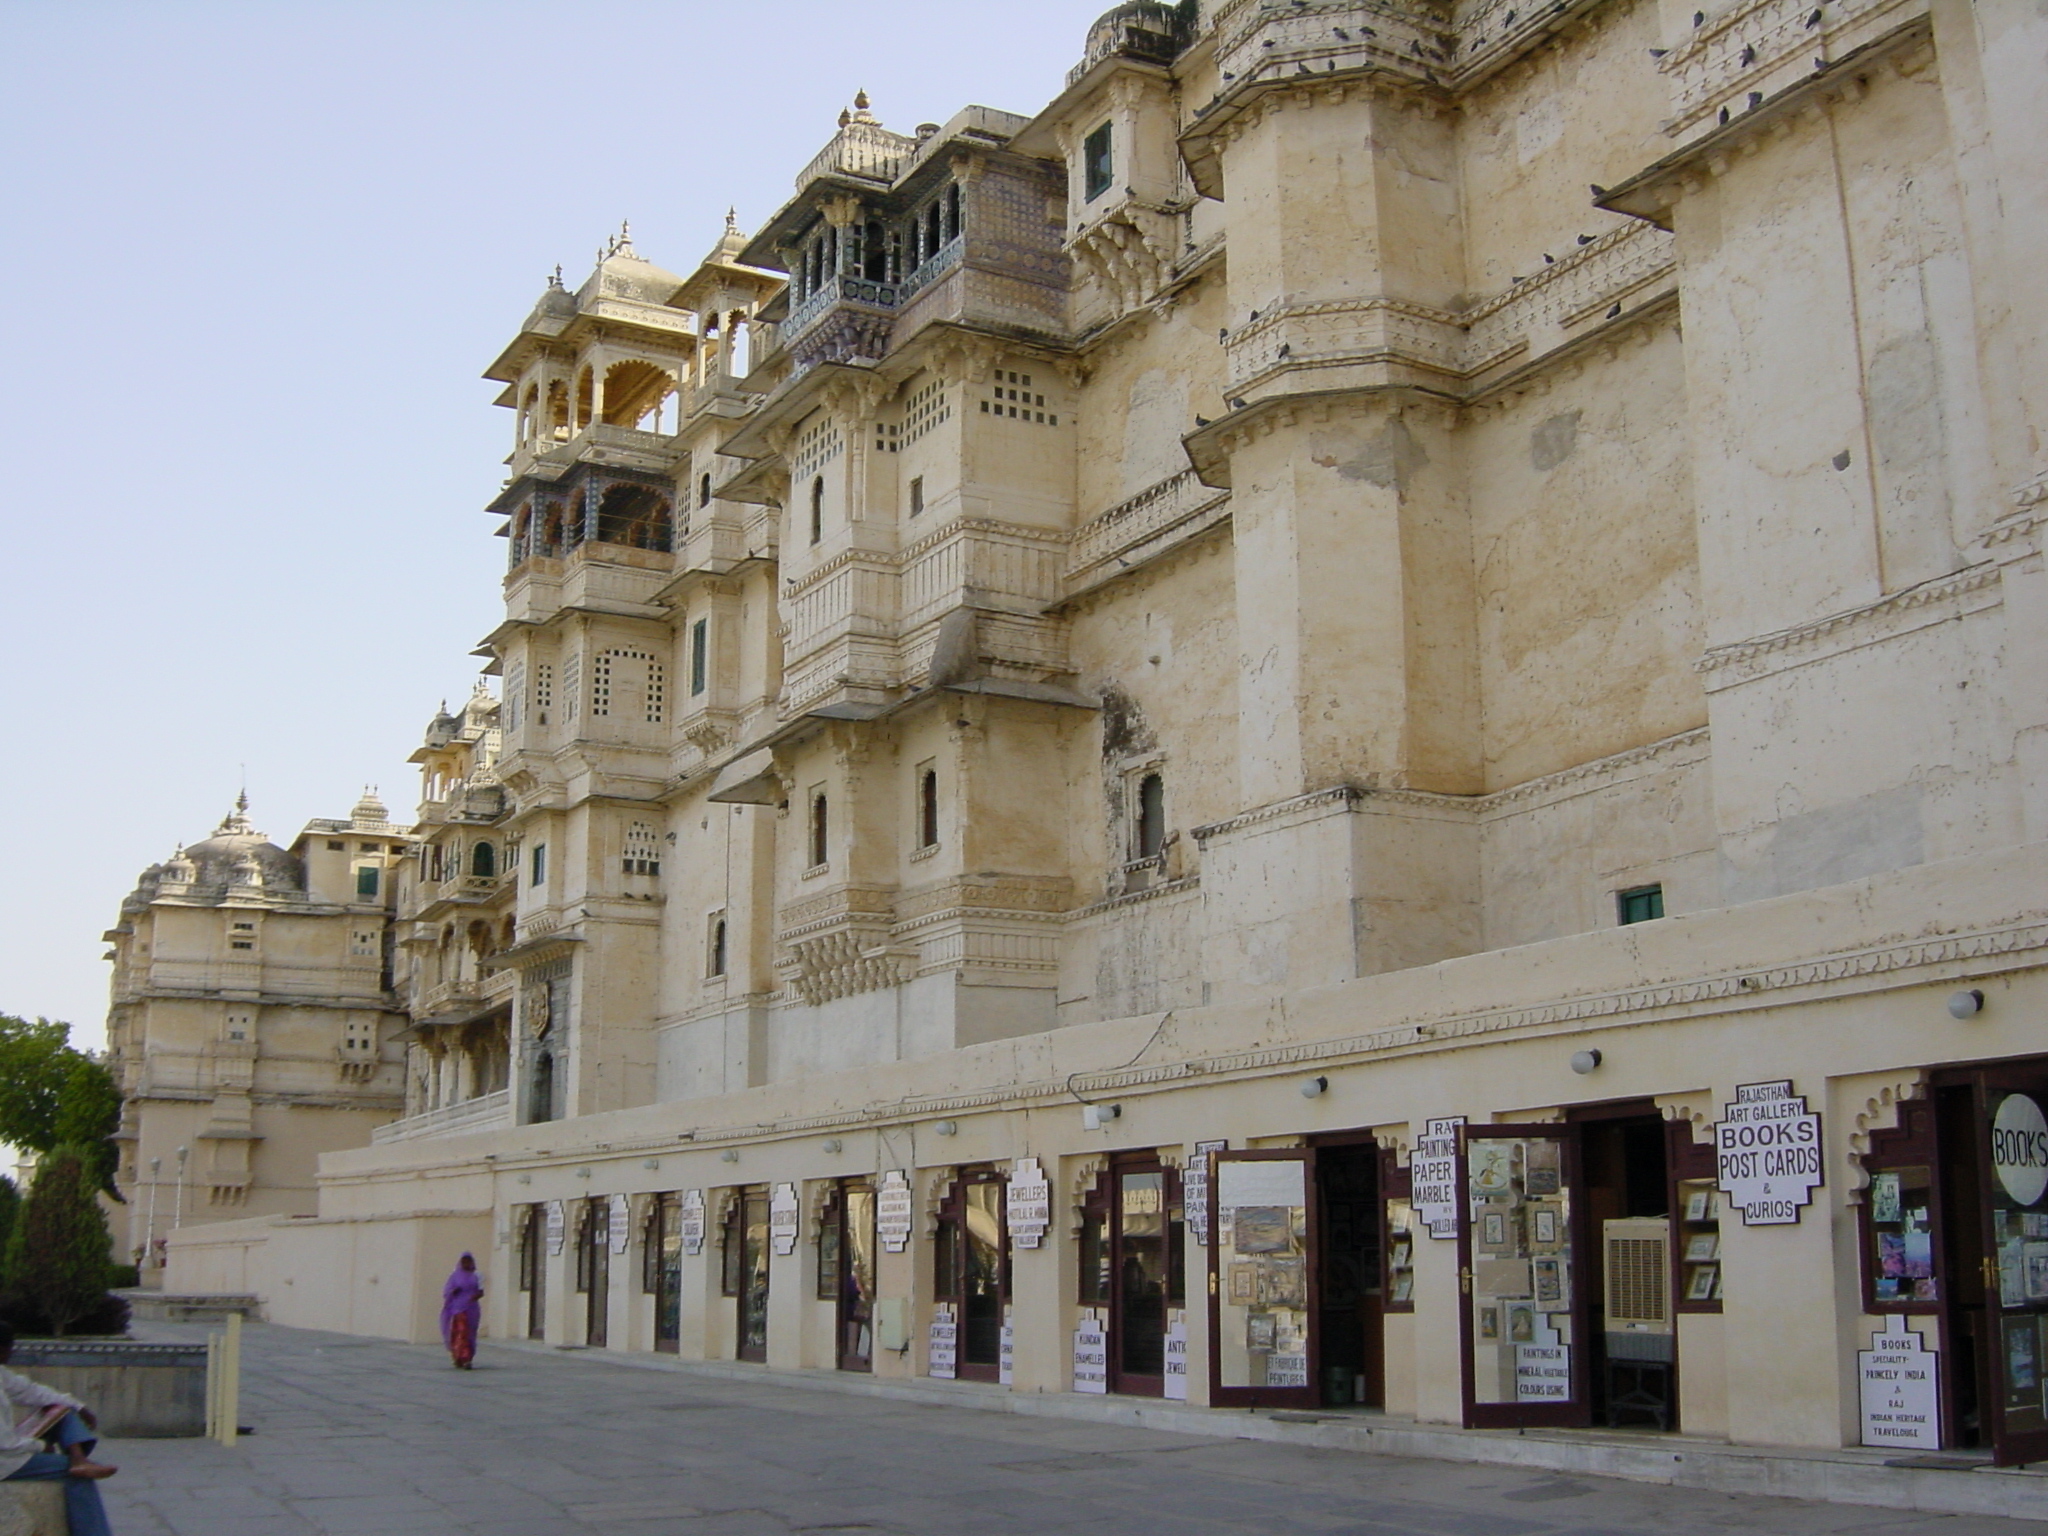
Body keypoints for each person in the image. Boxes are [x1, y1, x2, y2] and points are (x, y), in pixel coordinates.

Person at [0, 1321, 117, 1536]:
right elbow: (5, 1446)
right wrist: (38, 1445)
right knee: (77, 1477)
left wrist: (78, 1406)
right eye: (10, 1349)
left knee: (63, 1410)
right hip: (6, 1461)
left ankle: (79, 1460)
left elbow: (31, 1391)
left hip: (11, 1449)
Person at [440, 1252, 483, 1369]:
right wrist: (454, 1291)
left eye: (468, 1261)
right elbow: (447, 1291)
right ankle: (460, 1357)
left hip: (471, 1309)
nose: (466, 1264)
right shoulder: (455, 1276)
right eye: (464, 1262)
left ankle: (467, 1358)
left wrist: (475, 1296)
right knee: (460, 1333)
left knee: (469, 1334)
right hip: (458, 1309)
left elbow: (481, 1291)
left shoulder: (477, 1275)